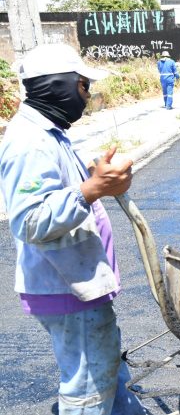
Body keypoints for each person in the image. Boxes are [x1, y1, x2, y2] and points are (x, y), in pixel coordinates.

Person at [0, 43, 146, 414]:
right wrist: (93, 188)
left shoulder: (50, 134)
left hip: (81, 285)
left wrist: (101, 183)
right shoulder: (30, 144)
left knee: (108, 375)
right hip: (67, 290)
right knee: (88, 392)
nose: (87, 95)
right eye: (83, 86)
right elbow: (30, 220)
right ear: (59, 86)